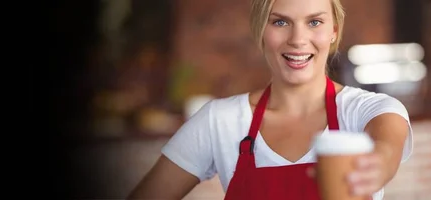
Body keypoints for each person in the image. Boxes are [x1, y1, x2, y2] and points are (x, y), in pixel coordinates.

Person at [128, 0, 413, 199]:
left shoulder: (368, 110)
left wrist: (381, 163)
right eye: (280, 22)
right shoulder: (220, 121)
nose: (298, 39)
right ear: (261, 30)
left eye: (314, 22)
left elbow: (386, 145)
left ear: (333, 31)